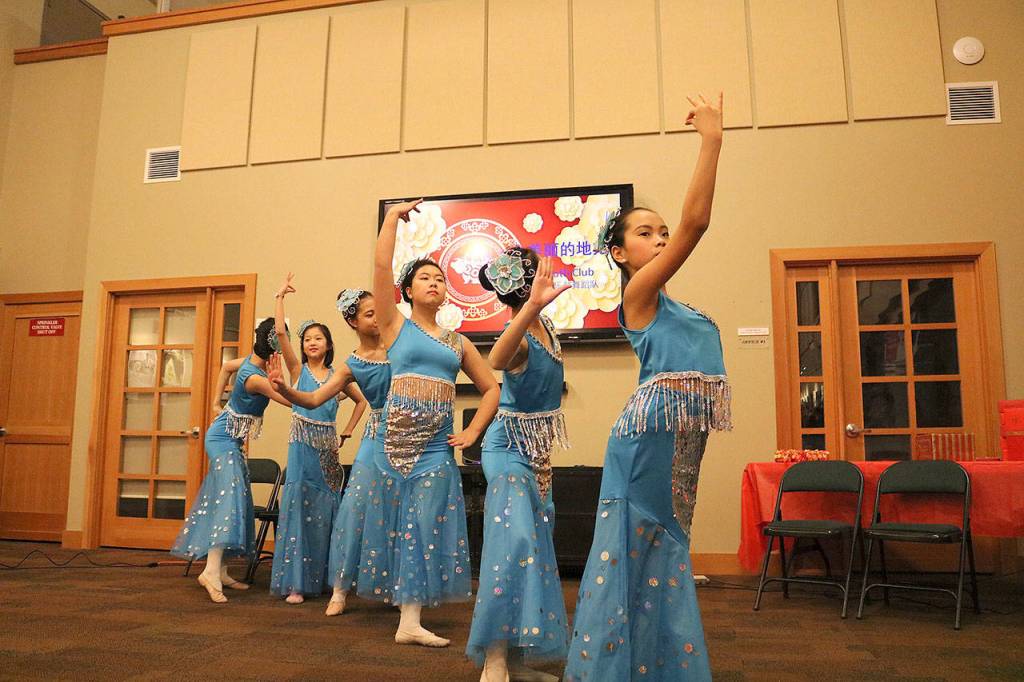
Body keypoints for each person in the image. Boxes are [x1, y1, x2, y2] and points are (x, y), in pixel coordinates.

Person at [564, 93, 728, 681]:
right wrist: (712, 140)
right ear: (618, 253)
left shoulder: (676, 306)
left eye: (662, 231)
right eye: (645, 232)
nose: (660, 238)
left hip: (678, 445)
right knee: (634, 556)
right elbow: (698, 222)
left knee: (664, 553)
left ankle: (654, 668)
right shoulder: (638, 297)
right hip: (645, 446)